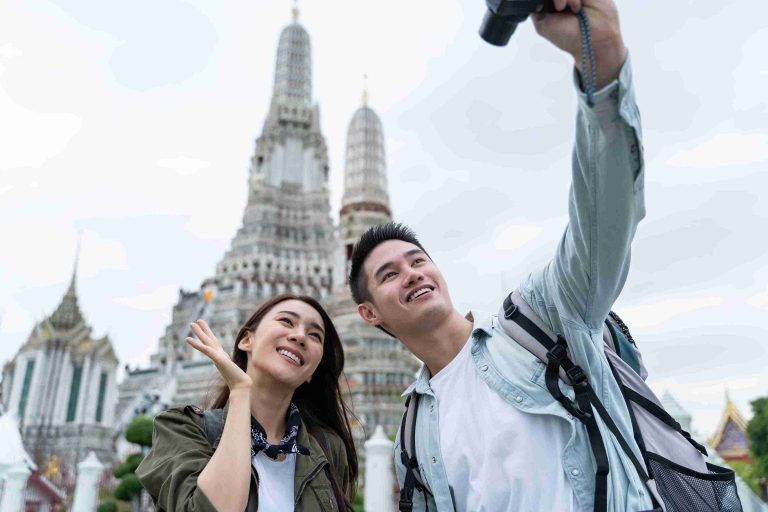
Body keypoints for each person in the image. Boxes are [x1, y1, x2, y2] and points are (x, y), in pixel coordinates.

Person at [348, 0, 651, 510]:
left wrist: (600, 61)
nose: (412, 273)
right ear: (368, 312)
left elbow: (601, 226)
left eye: (418, 259)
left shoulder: (543, 322)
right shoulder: (414, 436)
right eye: (389, 273)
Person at [137, 294, 358, 512]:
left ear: (312, 372)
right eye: (286, 321)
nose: (300, 336)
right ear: (246, 340)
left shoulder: (328, 449)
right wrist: (241, 391)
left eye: (315, 335)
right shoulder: (182, 428)